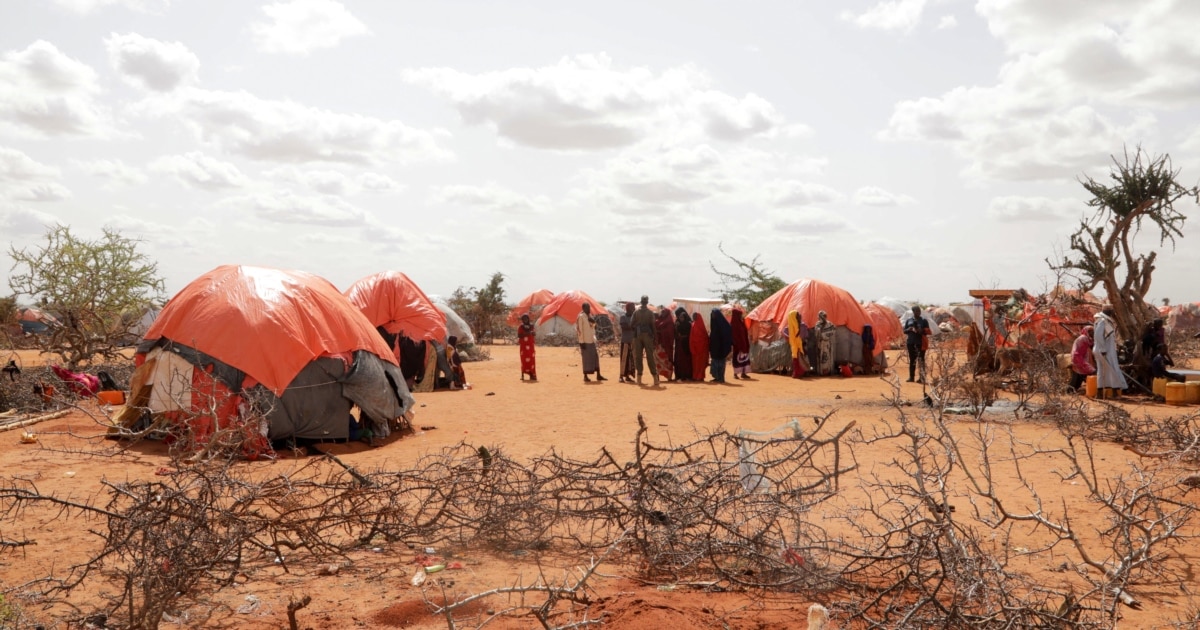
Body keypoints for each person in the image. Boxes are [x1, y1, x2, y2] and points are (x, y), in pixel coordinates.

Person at [1093, 305, 1126, 397]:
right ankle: (1110, 392)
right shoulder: (1102, 321)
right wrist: (1103, 348)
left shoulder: (1103, 321)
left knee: (1107, 371)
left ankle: (1103, 392)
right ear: (1110, 313)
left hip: (1105, 349)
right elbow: (1098, 335)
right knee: (1112, 370)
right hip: (1104, 350)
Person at [630, 296, 658, 385]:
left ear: (641, 302)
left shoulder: (636, 312)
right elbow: (653, 325)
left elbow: (631, 324)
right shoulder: (650, 313)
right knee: (650, 357)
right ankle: (655, 378)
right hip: (648, 335)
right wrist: (655, 337)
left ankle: (639, 378)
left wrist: (637, 327)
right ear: (647, 302)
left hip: (637, 335)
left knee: (638, 356)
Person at [576, 302, 607, 382]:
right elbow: (579, 330)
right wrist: (581, 342)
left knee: (595, 357)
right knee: (586, 359)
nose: (589, 309)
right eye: (587, 308)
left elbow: (593, 327)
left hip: (592, 340)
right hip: (585, 341)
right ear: (583, 308)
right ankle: (585, 376)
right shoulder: (581, 317)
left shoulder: (589, 316)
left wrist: (593, 322)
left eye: (589, 308)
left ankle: (598, 375)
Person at [903, 305, 931, 383]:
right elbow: (904, 331)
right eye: (917, 311)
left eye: (919, 311)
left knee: (921, 360)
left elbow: (927, 331)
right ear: (913, 312)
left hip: (920, 343)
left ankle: (922, 378)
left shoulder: (924, 321)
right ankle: (911, 377)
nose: (918, 312)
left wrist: (920, 330)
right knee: (912, 360)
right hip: (911, 343)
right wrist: (909, 329)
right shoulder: (909, 320)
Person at [708, 307, 732, 383]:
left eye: (714, 314)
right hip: (715, 346)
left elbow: (727, 334)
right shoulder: (714, 323)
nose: (712, 315)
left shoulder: (723, 325)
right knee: (715, 361)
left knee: (720, 362)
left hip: (721, 347)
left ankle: (721, 378)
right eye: (712, 314)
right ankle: (716, 377)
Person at [1069, 326, 1095, 393]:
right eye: (1090, 331)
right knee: (1076, 379)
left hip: (1081, 360)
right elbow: (1077, 352)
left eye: (1092, 331)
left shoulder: (1088, 339)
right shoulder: (1083, 338)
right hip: (1078, 360)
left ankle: (1071, 390)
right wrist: (1083, 363)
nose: (1092, 333)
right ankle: (1069, 391)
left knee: (1079, 379)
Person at [655, 306, 675, 382]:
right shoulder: (658, 321)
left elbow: (670, 334)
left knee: (667, 360)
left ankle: (669, 376)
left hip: (667, 345)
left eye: (664, 312)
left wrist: (661, 332)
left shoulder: (669, 322)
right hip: (659, 344)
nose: (662, 313)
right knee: (657, 361)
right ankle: (657, 376)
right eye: (662, 312)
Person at [786, 310, 808, 378]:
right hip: (795, 343)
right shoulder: (794, 324)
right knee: (797, 358)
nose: (799, 317)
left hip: (796, 343)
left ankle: (797, 373)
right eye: (797, 315)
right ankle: (798, 373)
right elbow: (796, 332)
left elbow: (797, 333)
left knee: (797, 358)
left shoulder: (795, 324)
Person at [730, 308, 751, 379]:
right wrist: (736, 343)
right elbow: (733, 335)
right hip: (737, 345)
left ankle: (743, 373)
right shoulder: (733, 324)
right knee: (737, 358)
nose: (741, 316)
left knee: (744, 358)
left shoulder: (741, 323)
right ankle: (735, 374)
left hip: (744, 344)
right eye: (739, 314)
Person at [618, 302, 636, 383]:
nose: (634, 309)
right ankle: (621, 376)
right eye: (632, 307)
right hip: (625, 340)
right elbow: (624, 327)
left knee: (631, 359)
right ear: (628, 308)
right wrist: (632, 325)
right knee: (624, 359)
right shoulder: (623, 317)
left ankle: (628, 376)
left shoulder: (634, 317)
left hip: (632, 341)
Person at [814, 310, 836, 376]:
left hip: (827, 343)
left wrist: (825, 335)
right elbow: (817, 333)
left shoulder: (830, 324)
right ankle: (821, 372)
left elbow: (833, 331)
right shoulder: (818, 324)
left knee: (827, 357)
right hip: (820, 343)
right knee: (821, 357)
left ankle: (828, 371)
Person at [673, 308, 692, 382]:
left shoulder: (688, 323)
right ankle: (678, 375)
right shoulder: (677, 322)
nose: (678, 317)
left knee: (685, 360)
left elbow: (689, 334)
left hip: (686, 344)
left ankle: (686, 375)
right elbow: (675, 332)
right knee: (678, 360)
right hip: (679, 344)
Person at [690, 309, 709, 382]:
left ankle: (700, 376)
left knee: (701, 364)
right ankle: (695, 376)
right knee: (695, 364)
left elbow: (705, 337)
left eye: (695, 316)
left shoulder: (701, 325)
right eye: (693, 316)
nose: (693, 317)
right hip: (695, 347)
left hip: (701, 348)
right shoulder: (693, 324)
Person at [518, 314, 537, 381]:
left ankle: (532, 374)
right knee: (523, 360)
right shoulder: (521, 327)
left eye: (526, 318)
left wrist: (533, 333)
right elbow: (519, 335)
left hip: (531, 346)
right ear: (522, 320)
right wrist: (527, 333)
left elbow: (534, 333)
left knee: (532, 360)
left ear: (528, 319)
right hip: (524, 346)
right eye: (524, 319)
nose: (525, 320)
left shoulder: (531, 326)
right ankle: (522, 374)